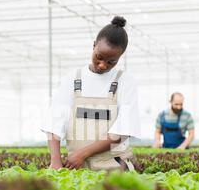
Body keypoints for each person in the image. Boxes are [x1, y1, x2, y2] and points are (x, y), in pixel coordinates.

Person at [41, 16, 141, 171]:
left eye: (111, 62)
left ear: (120, 57)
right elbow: (54, 122)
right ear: (94, 45)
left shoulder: (126, 81)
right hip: (75, 168)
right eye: (99, 57)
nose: (102, 65)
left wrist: (83, 153)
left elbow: (123, 130)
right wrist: (55, 160)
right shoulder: (72, 78)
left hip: (114, 168)